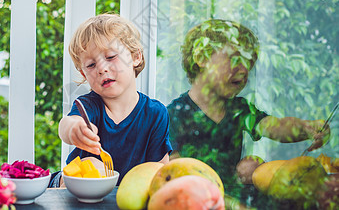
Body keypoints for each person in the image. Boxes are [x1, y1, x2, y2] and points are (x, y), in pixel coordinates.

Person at [167, 19, 330, 207]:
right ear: (202, 58)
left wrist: (305, 128)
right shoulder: (176, 114)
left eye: (249, 62)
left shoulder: (239, 109)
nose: (245, 70)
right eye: (235, 59)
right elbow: (175, 173)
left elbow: (274, 127)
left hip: (236, 198)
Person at [49, 14, 172, 187]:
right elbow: (68, 123)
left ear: (136, 56)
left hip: (126, 198)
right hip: (75, 191)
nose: (102, 69)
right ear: (84, 74)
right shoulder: (89, 106)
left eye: (111, 57)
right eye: (91, 65)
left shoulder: (155, 113)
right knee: (96, 166)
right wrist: (74, 129)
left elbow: (160, 170)